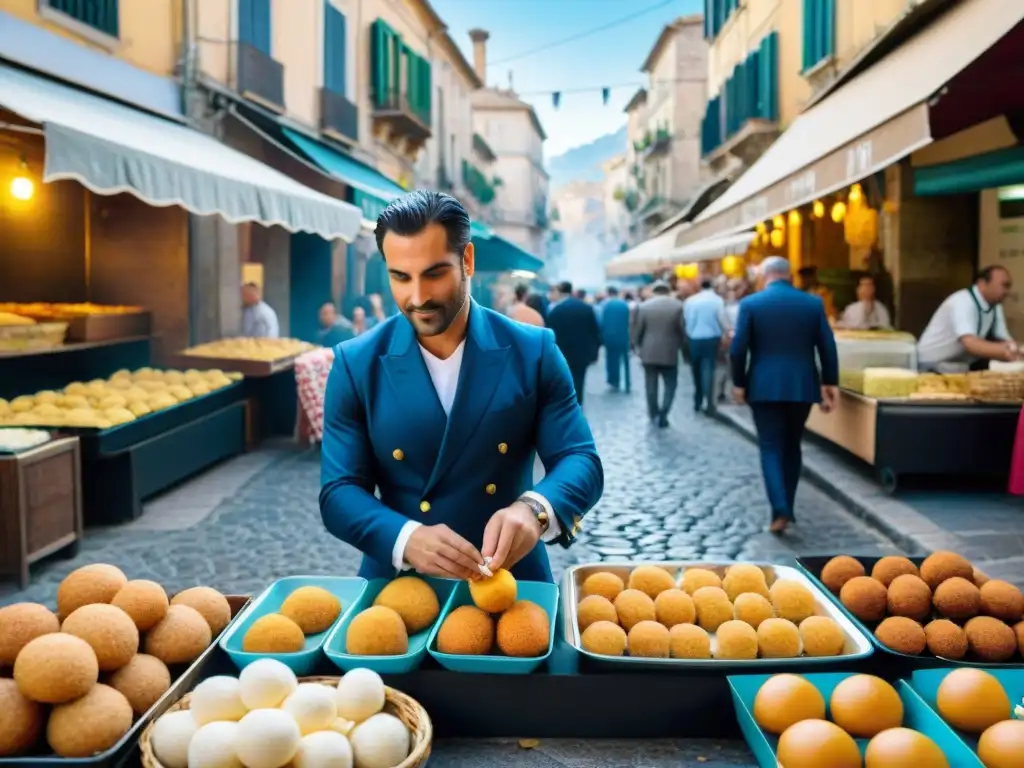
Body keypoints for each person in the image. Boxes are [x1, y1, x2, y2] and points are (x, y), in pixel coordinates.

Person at [319, 191, 603, 584]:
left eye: (434, 273)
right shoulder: (355, 363)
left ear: (467, 260)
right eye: (401, 277)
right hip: (399, 591)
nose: (417, 297)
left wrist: (535, 510)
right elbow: (338, 491)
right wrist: (405, 537)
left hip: (513, 582)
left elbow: (580, 460)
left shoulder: (533, 351)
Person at [730, 256, 838, 534]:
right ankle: (786, 503)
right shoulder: (812, 304)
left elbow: (738, 348)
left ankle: (781, 509)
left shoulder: (751, 303)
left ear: (765, 275)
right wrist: (830, 382)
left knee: (770, 447)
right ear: (789, 276)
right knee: (792, 445)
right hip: (802, 385)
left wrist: (739, 383)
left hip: (763, 386)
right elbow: (827, 345)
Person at [917, 265, 1020, 372]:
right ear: (982, 284)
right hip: (932, 366)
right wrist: (1006, 351)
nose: (1008, 292)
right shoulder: (962, 301)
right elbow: (970, 344)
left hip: (959, 364)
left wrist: (1016, 349)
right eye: (1004, 285)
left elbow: (1004, 338)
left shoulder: (995, 306)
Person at [631, 280, 685, 428]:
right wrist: (680, 346)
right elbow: (682, 331)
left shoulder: (644, 306)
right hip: (669, 351)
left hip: (648, 352)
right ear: (668, 291)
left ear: (654, 291)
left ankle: (653, 413)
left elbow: (637, 331)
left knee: (650, 385)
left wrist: (636, 346)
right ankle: (664, 414)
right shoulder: (678, 306)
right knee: (670, 385)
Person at [546, 281, 602, 405]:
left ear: (560, 292)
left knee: (563, 381)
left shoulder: (555, 310)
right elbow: (595, 331)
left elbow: (550, 334)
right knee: (579, 380)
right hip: (582, 352)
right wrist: (594, 353)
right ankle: (578, 404)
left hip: (561, 352)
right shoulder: (585, 308)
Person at [684, 278, 728, 414]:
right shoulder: (718, 300)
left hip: (695, 338)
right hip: (712, 337)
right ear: (712, 286)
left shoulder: (690, 301)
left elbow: (688, 320)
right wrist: (725, 332)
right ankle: (709, 402)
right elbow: (721, 319)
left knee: (696, 369)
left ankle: (697, 400)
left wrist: (690, 334)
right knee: (709, 368)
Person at [600, 286, 631, 393]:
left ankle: (614, 381)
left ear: (608, 293)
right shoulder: (624, 304)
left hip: (609, 336)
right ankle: (627, 382)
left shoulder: (605, 305)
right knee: (626, 360)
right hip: (624, 335)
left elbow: (601, 321)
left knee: (611, 360)